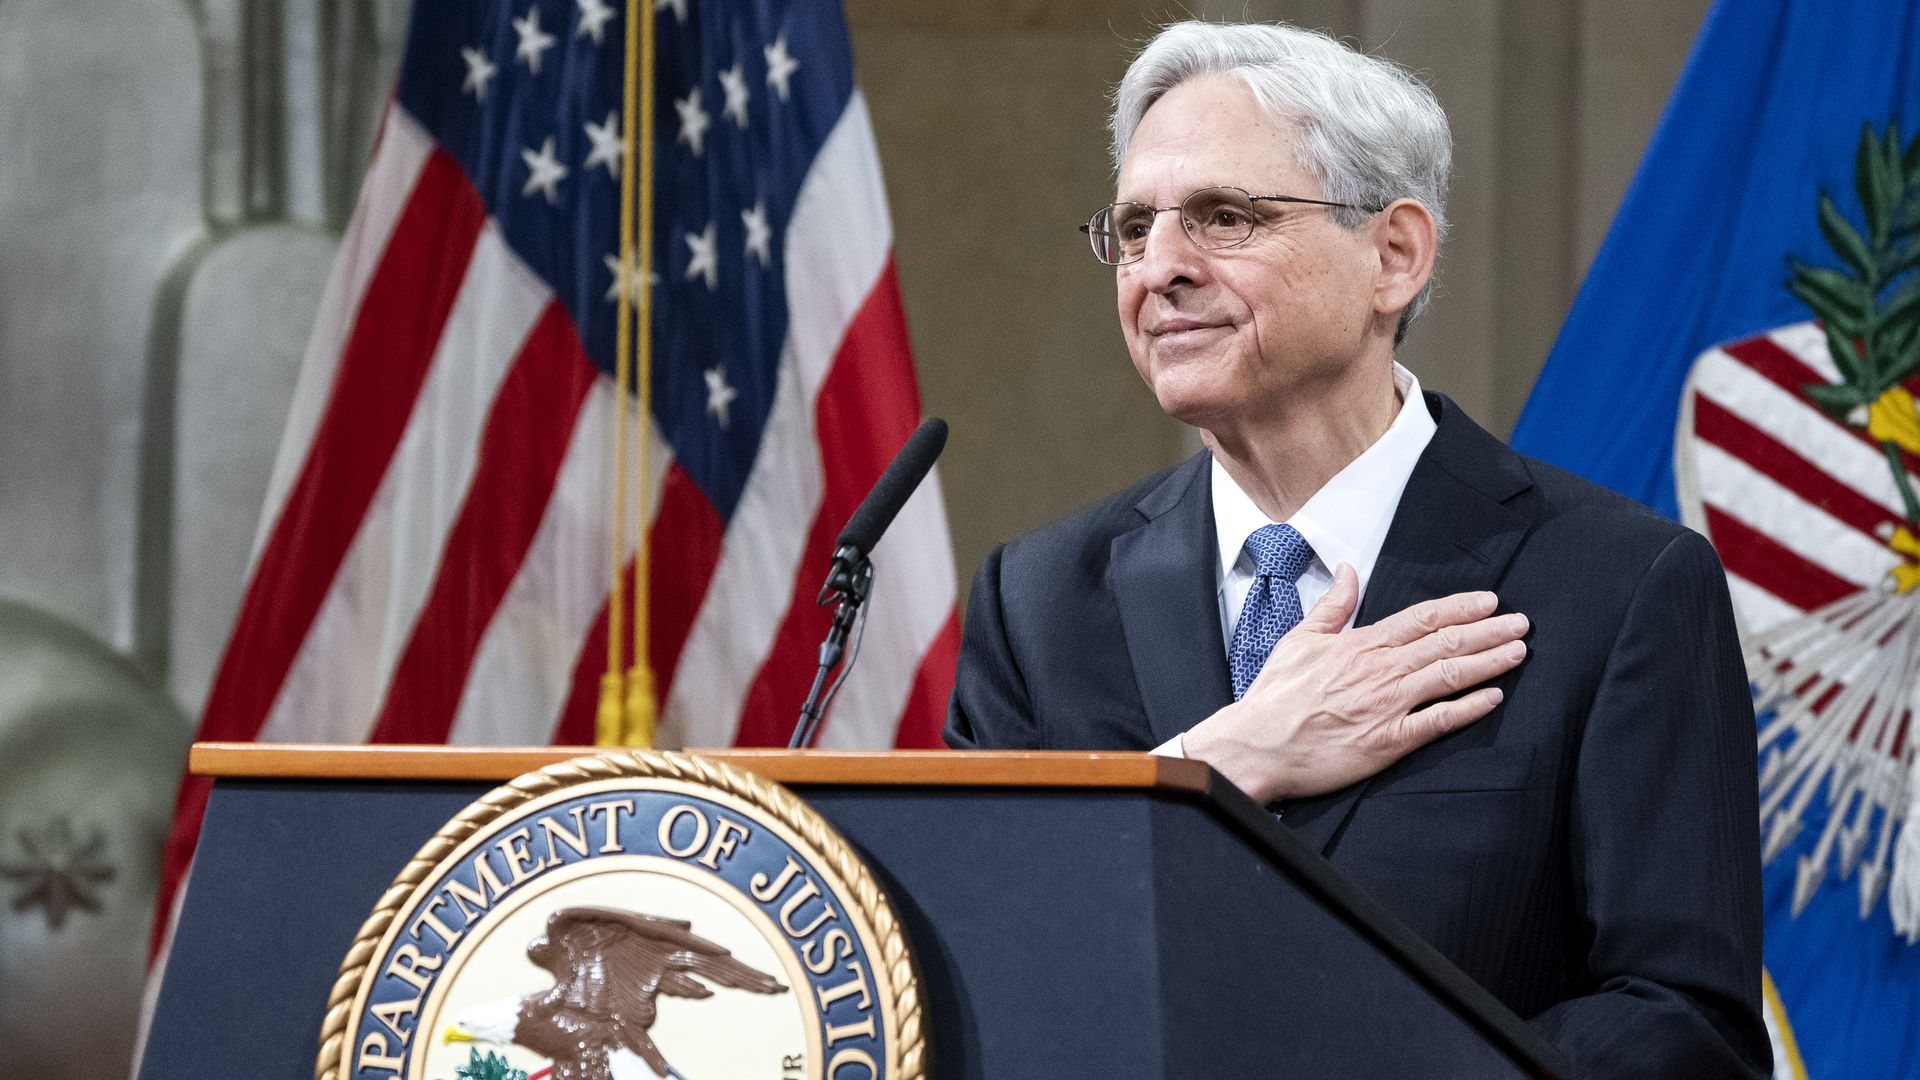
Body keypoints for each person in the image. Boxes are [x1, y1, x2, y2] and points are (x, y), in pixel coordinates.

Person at [944, 21, 1768, 1079]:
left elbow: (1682, 1027)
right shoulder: (1040, 602)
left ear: (1395, 254)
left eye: (1224, 218)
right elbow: (969, 951)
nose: (1161, 270)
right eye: (1135, 228)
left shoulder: (1615, 587)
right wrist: (1222, 763)